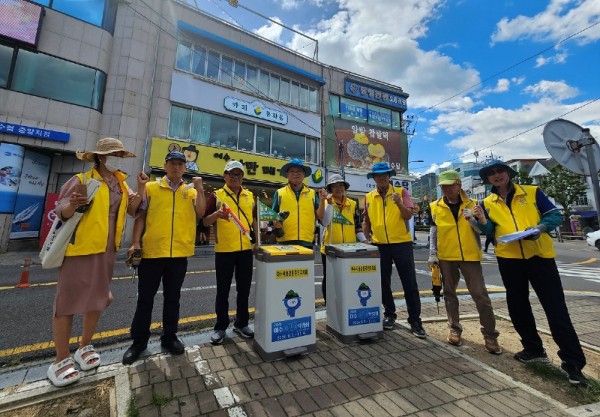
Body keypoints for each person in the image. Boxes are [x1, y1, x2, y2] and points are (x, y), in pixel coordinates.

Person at [473, 159, 588, 385]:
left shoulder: (533, 192)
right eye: (491, 173)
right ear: (487, 179)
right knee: (517, 306)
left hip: (540, 257)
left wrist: (539, 228)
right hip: (509, 259)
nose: (497, 176)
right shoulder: (487, 202)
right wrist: (481, 221)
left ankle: (573, 362)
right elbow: (490, 230)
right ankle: (533, 348)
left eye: (500, 171)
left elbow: (554, 215)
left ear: (508, 173)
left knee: (556, 308)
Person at [47, 137, 147, 387]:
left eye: (121, 155)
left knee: (97, 298)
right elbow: (61, 211)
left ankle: (84, 346)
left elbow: (134, 210)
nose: (118, 159)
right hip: (81, 248)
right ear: (100, 157)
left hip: (107, 249)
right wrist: (72, 205)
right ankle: (60, 358)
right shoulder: (82, 180)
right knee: (67, 301)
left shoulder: (122, 185)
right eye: (114, 154)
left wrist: (141, 188)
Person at [122, 151, 205, 365]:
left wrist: (200, 188)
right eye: (172, 163)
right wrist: (136, 242)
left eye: (180, 164)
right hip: (152, 253)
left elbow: (202, 213)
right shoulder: (151, 188)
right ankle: (139, 343)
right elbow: (138, 215)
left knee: (173, 298)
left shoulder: (191, 192)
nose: (176, 167)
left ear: (185, 168)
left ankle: (170, 338)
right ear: (165, 165)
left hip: (179, 254)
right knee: (145, 299)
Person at [427, 170, 501, 354]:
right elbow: (433, 232)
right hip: (446, 256)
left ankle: (490, 335)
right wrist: (432, 254)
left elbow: (484, 230)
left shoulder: (475, 204)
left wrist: (474, 219)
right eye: (443, 185)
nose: (446, 188)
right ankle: (454, 328)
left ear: (459, 184)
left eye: (450, 185)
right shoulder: (434, 206)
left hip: (470, 256)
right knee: (449, 294)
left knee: (480, 295)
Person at [362, 162, 426, 338]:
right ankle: (389, 314)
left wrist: (399, 203)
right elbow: (366, 221)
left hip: (402, 243)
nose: (381, 178)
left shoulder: (401, 193)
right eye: (378, 175)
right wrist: (367, 239)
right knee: (382, 282)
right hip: (379, 244)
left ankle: (415, 320)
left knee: (409, 282)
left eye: (385, 175)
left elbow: (408, 216)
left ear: (389, 176)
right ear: (374, 178)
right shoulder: (368, 197)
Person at [203, 161, 258, 345]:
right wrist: (217, 215)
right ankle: (220, 327)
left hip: (245, 251)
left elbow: (255, 221)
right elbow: (204, 222)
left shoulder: (250, 196)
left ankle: (242, 324)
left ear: (242, 177)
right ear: (225, 176)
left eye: (238, 175)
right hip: (224, 251)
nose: (235, 178)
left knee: (244, 290)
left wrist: (256, 241)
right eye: (231, 174)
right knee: (223, 291)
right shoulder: (216, 195)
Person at [318, 174, 366, 302]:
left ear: (345, 187)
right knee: (329, 278)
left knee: (347, 277)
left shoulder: (353, 203)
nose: (338, 188)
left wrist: (365, 241)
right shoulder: (325, 201)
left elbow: (357, 226)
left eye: (341, 185)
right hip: (330, 248)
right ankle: (329, 306)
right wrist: (328, 204)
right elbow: (324, 223)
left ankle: (346, 303)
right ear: (330, 189)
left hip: (349, 249)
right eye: (335, 186)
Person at [272, 158, 320, 248]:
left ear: (304, 174)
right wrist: (275, 221)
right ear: (287, 174)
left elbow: (320, 215)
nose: (295, 173)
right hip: (285, 242)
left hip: (306, 241)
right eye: (292, 171)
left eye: (299, 171)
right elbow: (272, 216)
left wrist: (324, 201)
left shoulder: (313, 194)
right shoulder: (279, 193)